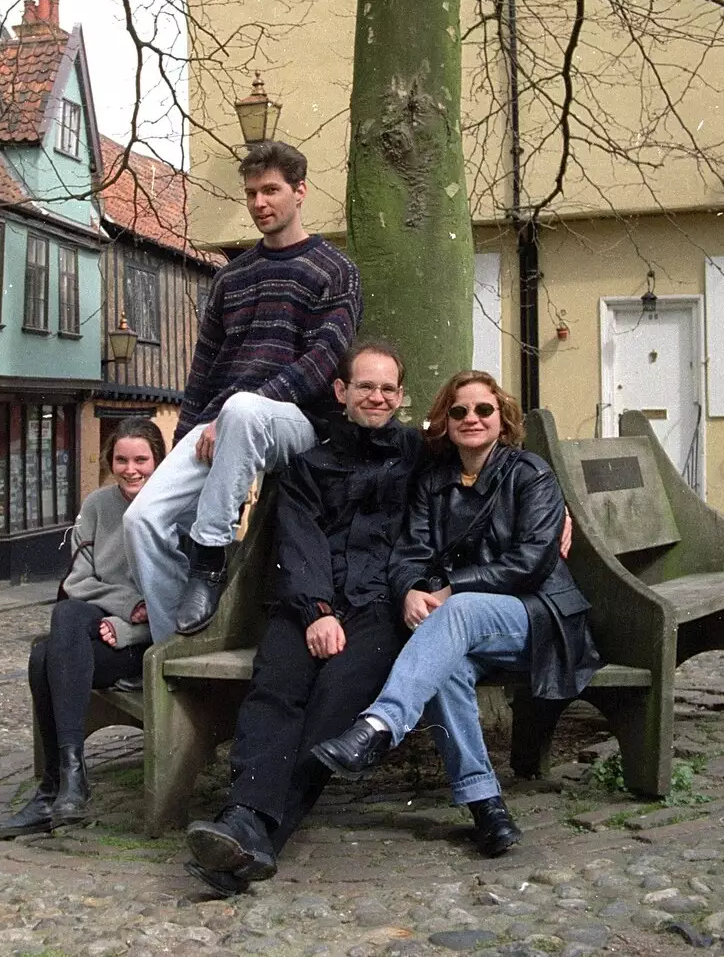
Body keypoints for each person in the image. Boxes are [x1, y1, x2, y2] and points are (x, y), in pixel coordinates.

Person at [311, 371, 602, 858]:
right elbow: (410, 553)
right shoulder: (434, 481)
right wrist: (408, 591)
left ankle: (378, 726)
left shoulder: (530, 474)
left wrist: (448, 590)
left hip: (539, 618)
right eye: (459, 411)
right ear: (444, 421)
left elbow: (531, 563)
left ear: (502, 419)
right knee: (446, 671)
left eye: (484, 410)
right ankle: (486, 806)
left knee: (460, 611)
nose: (472, 419)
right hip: (461, 626)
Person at [183, 339, 421, 897]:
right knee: (276, 689)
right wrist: (316, 611)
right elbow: (300, 539)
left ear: (401, 396)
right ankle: (249, 821)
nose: (377, 397)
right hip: (306, 602)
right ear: (341, 392)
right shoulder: (307, 464)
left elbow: (488, 458)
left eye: (388, 388)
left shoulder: (415, 452)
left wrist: (554, 507)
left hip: (379, 608)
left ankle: (251, 829)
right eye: (365, 386)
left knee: (335, 701)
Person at [125, 141, 362, 642]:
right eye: (252, 193)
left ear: (300, 192)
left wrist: (233, 413)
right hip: (224, 419)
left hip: (298, 424)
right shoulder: (230, 278)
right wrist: (188, 438)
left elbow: (322, 363)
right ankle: (174, 649)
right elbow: (203, 370)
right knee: (141, 520)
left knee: (242, 409)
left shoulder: (334, 270)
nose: (260, 203)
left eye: (271, 190)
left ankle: (208, 559)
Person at [0, 418, 166, 839]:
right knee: (67, 615)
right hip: (100, 625)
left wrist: (127, 630)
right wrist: (127, 607)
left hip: (145, 645)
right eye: (121, 459)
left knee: (42, 656)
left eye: (141, 459)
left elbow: (172, 606)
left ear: (158, 461)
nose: (131, 469)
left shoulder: (171, 506)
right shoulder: (96, 506)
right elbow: (77, 584)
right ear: (110, 461)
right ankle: (69, 782)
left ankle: (55, 786)